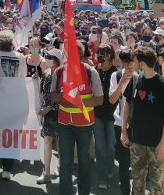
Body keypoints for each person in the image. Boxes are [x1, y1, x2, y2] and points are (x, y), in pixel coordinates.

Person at [120, 46, 164, 195]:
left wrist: (163, 142)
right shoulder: (135, 80)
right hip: (137, 142)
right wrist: (123, 130)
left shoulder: (163, 84)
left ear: (143, 64)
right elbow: (127, 104)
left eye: (135, 62)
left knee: (156, 186)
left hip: (156, 143)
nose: (132, 65)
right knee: (137, 183)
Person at [49, 40, 104, 195]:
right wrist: (61, 97)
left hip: (84, 124)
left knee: (84, 161)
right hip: (64, 123)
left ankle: (84, 192)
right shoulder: (58, 72)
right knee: (65, 162)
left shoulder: (90, 72)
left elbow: (99, 99)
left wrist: (78, 103)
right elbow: (52, 95)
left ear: (80, 55)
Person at [0, 30, 26, 180]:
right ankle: (9, 163)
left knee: (1, 133)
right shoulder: (20, 57)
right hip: (16, 100)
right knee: (14, 132)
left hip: (0, 101)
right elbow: (23, 78)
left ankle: (5, 164)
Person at [109, 48, 136, 195]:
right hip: (120, 124)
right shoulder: (116, 76)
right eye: (126, 62)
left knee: (139, 163)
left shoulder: (143, 76)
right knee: (123, 163)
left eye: (132, 62)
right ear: (121, 62)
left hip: (137, 126)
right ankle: (125, 190)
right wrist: (121, 83)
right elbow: (112, 100)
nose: (129, 66)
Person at [93, 44, 118, 190]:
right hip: (96, 113)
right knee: (100, 145)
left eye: (102, 53)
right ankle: (103, 177)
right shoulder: (94, 71)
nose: (99, 56)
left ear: (109, 55)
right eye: (98, 53)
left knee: (109, 145)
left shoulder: (115, 73)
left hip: (111, 114)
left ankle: (108, 168)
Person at [36, 48, 62, 184]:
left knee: (59, 142)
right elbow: (43, 93)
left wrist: (49, 108)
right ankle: (46, 172)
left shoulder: (63, 75)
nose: (48, 59)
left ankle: (60, 166)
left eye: (51, 57)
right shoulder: (45, 74)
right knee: (47, 140)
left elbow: (63, 96)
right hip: (47, 114)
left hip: (60, 113)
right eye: (47, 57)